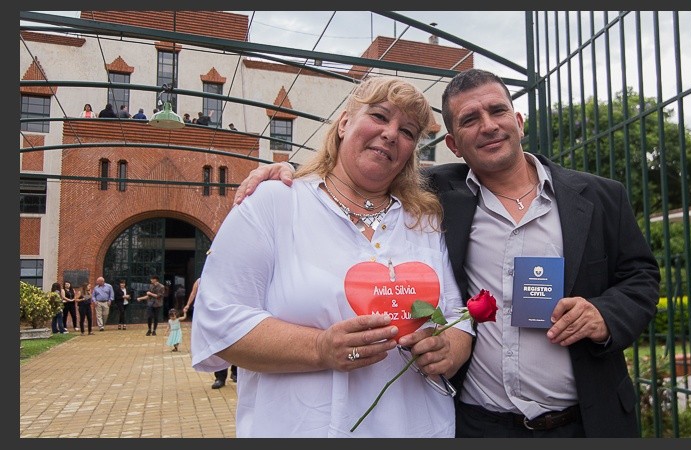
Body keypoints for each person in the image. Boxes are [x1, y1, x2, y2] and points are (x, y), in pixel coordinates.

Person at [235, 68, 661, 438]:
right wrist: (286, 171)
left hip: (584, 421)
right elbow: (364, 168)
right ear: (454, 145)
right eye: (470, 120)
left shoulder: (601, 196)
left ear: (518, 119)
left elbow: (641, 277)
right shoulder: (440, 199)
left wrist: (605, 315)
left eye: (497, 111)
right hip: (481, 424)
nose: (488, 126)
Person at [191, 76, 474, 437]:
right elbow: (218, 321)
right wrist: (320, 348)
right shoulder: (275, 204)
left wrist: (450, 348)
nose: (390, 134)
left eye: (407, 131)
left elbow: (459, 317)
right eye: (379, 116)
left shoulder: (424, 221)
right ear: (344, 124)